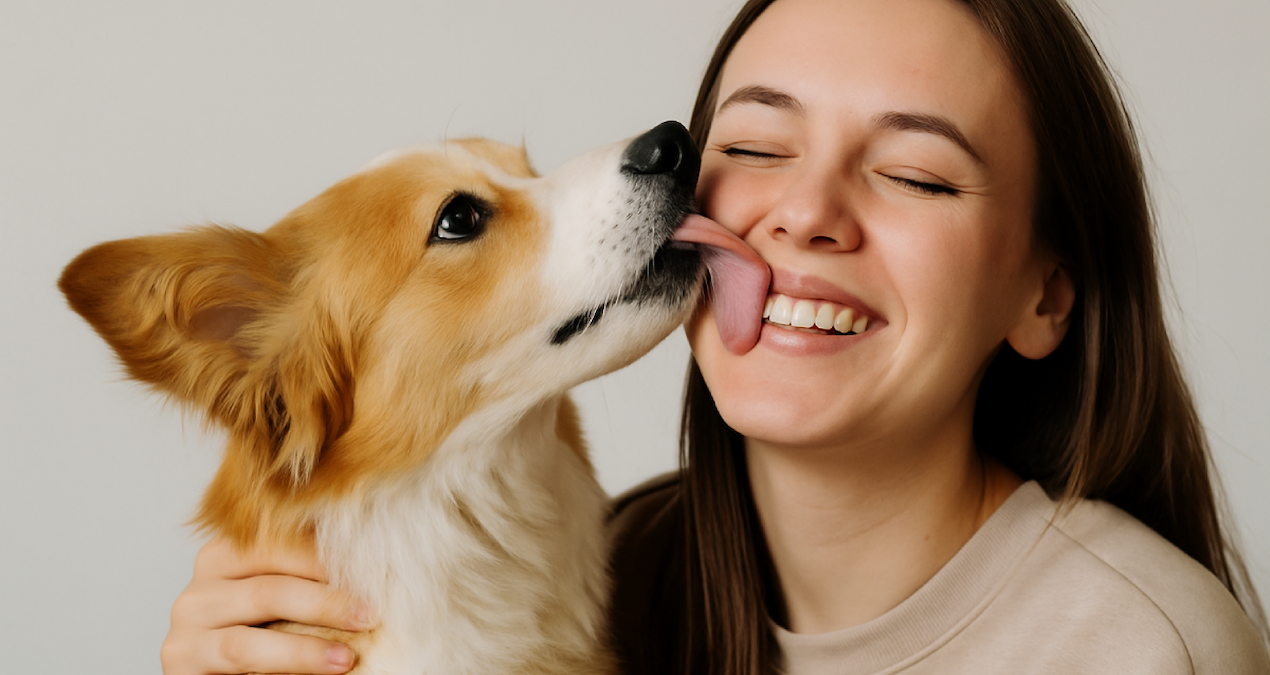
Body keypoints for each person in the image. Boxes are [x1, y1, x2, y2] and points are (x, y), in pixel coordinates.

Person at [159, 0, 1270, 673]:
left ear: (1046, 296)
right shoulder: (612, 575)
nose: (805, 212)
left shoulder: (1142, 647)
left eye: (916, 173)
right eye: (760, 146)